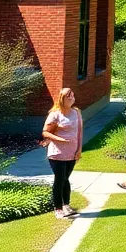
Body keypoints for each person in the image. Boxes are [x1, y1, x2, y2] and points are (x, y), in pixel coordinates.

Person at [42, 87, 84, 218]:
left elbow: (79, 132)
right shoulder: (55, 114)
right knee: (60, 179)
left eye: (73, 95)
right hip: (57, 153)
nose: (72, 98)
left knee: (66, 179)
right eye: (68, 96)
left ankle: (67, 206)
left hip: (72, 152)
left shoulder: (76, 112)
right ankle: (58, 208)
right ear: (62, 99)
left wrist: (79, 150)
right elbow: (45, 132)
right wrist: (59, 139)